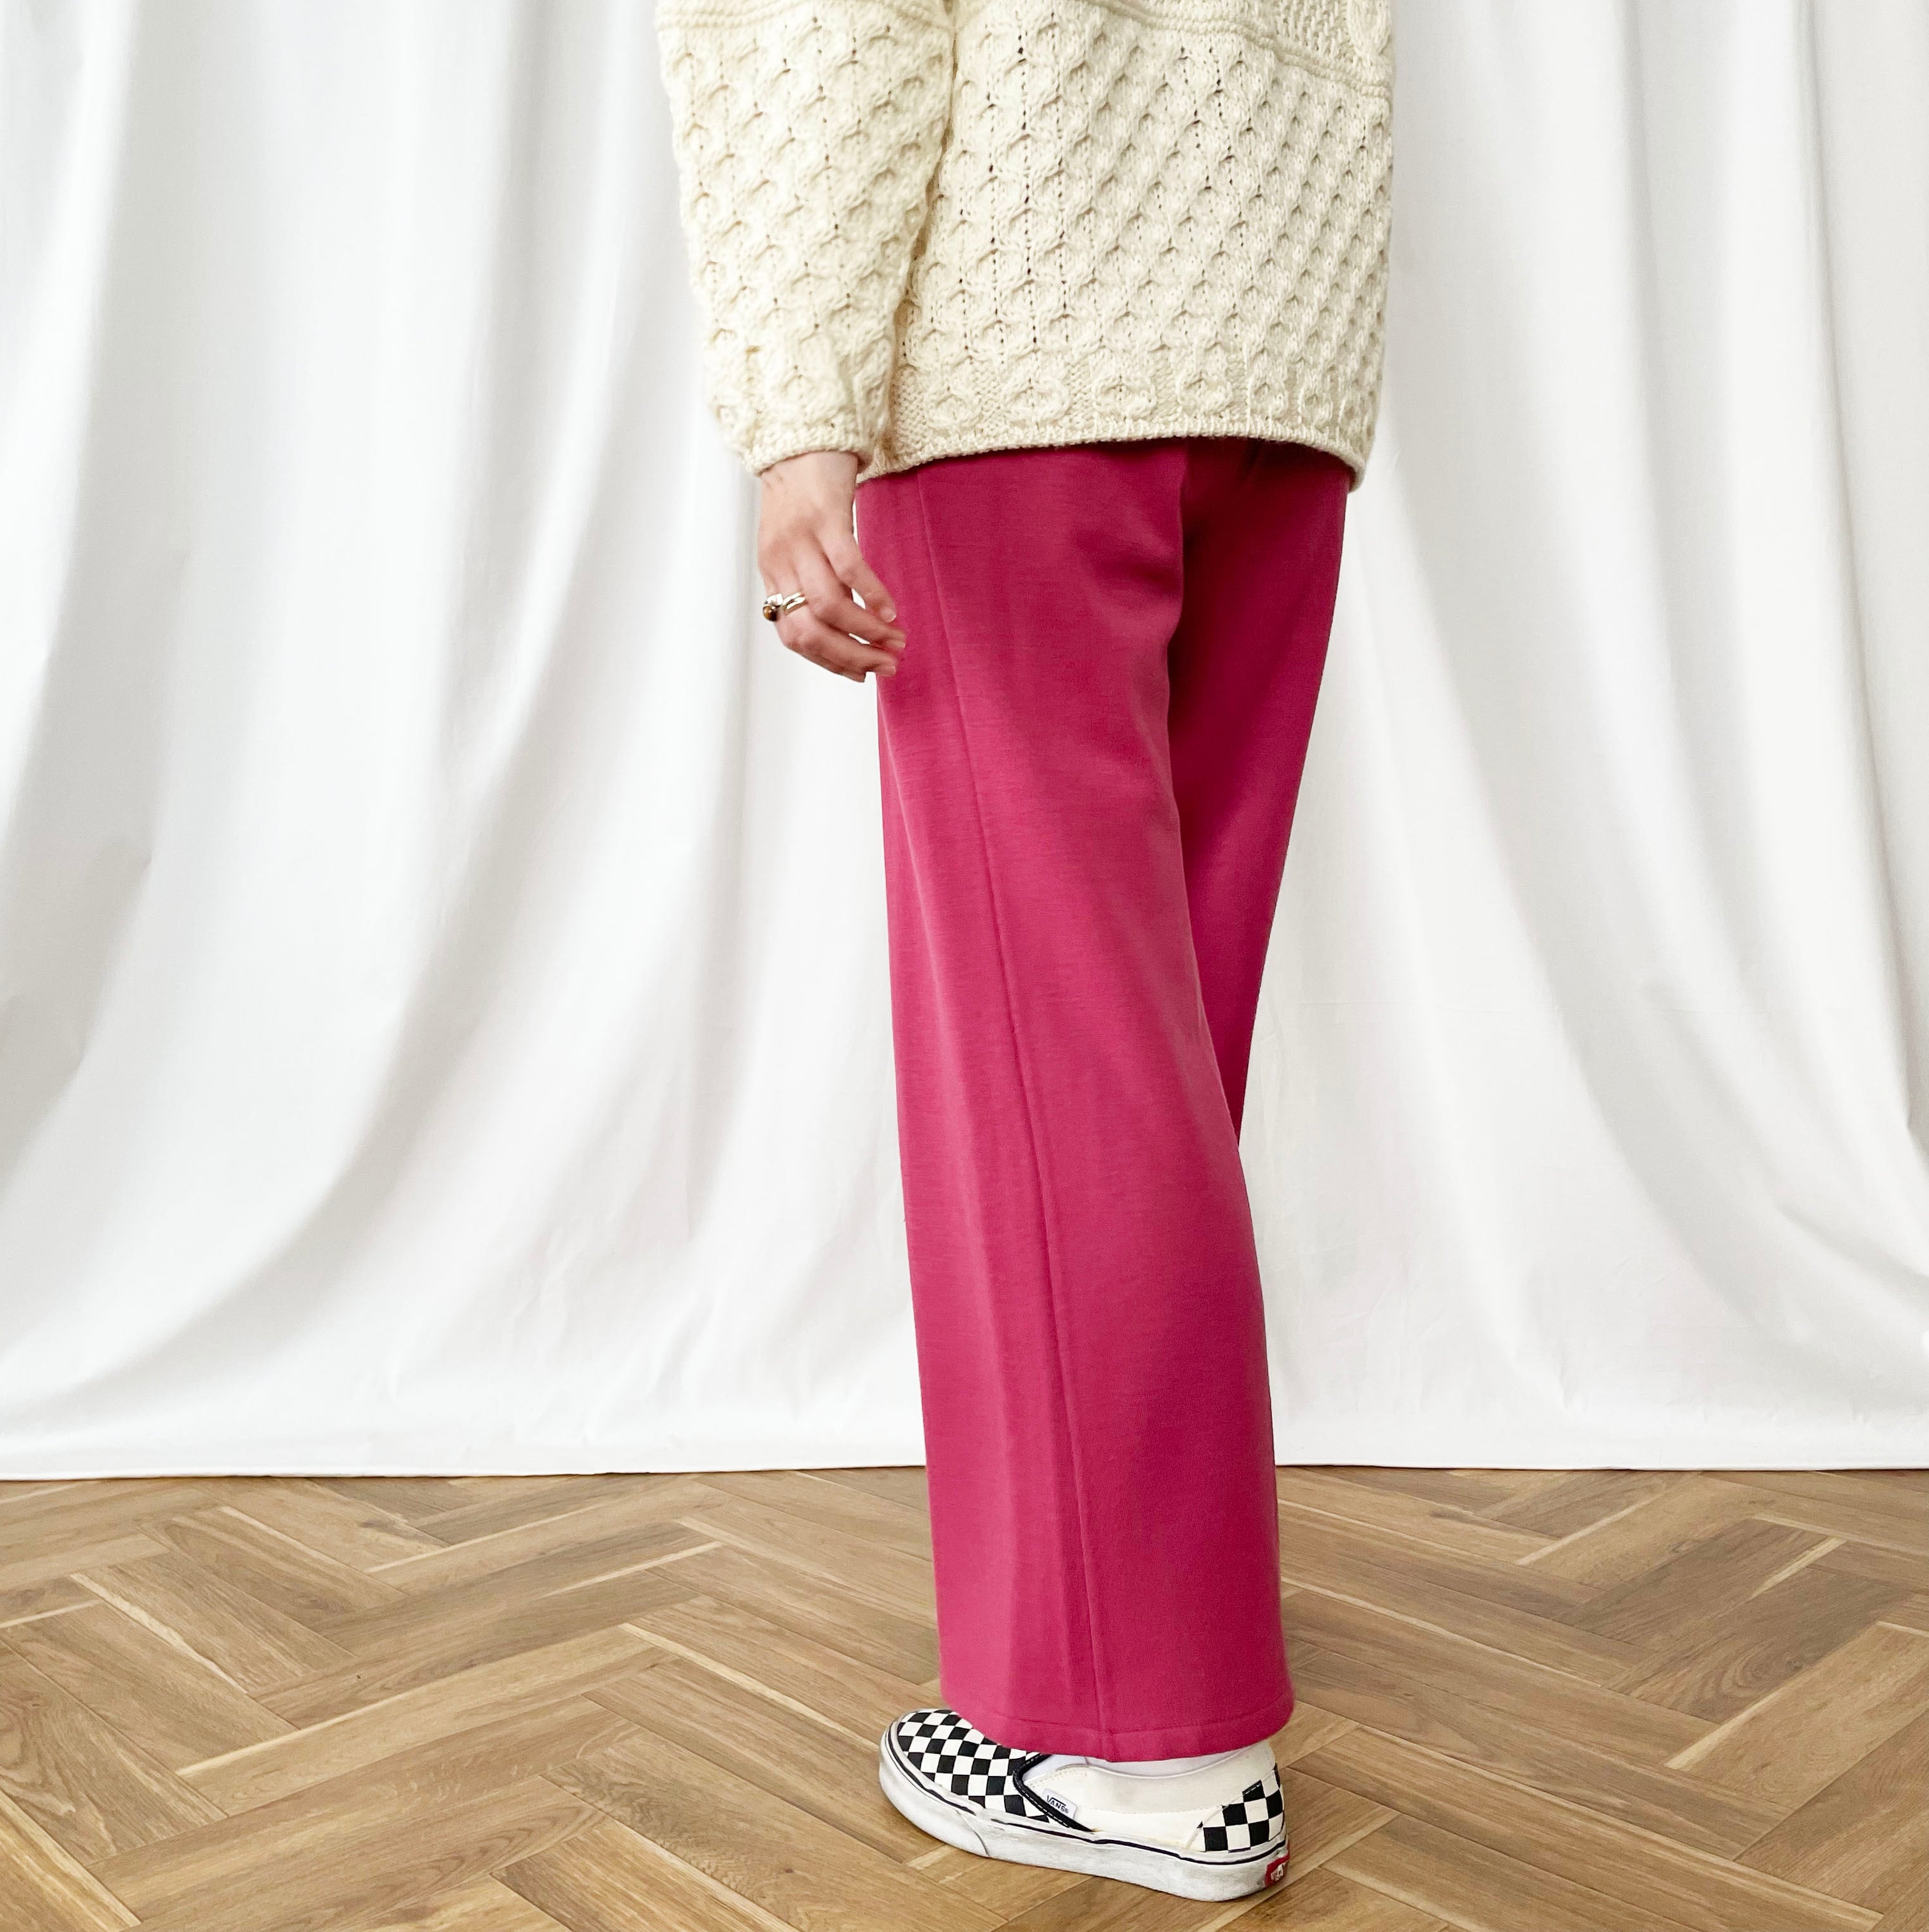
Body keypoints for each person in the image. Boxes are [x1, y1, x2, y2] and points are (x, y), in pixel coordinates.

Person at [657, 0, 1392, 1900]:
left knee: (1062, 1081)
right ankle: (1124, 1679)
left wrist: (800, 409)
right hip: (1278, 368)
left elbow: (845, 27)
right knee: (1151, 1067)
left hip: (1023, 350)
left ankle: (1151, 1754)